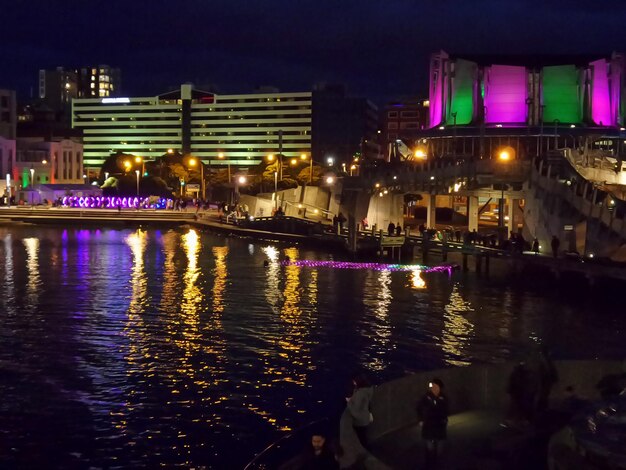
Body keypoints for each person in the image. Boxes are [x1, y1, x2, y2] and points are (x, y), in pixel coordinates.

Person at [417, 378, 449, 468]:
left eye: (435, 386)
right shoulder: (426, 397)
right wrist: (421, 419)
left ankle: (437, 464)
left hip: (439, 426)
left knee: (439, 449)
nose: (433, 388)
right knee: (429, 447)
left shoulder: (443, 398)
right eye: (432, 386)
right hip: (428, 425)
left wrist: (444, 419)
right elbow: (419, 408)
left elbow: (446, 410)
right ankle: (429, 464)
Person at [346, 374, 374, 448]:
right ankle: (366, 448)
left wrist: (349, 402)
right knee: (364, 436)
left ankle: (364, 450)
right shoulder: (368, 389)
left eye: (354, 381)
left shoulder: (360, 393)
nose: (353, 382)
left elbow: (356, 407)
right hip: (365, 416)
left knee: (361, 437)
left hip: (359, 420)